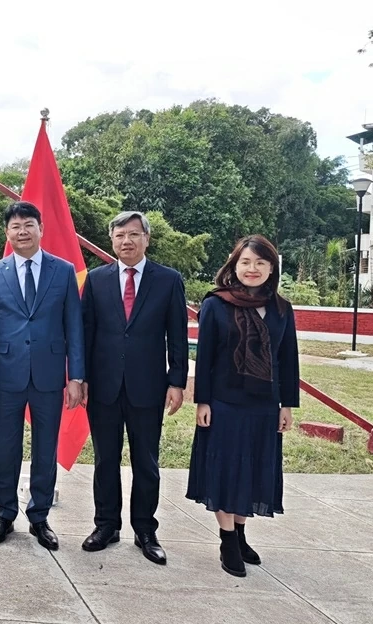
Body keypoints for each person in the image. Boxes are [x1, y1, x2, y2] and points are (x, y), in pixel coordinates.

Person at [187, 235, 299, 578]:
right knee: (225, 470)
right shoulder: (216, 304)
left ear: (271, 268)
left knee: (251, 471)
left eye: (261, 263)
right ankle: (227, 540)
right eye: (246, 262)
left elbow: (287, 359)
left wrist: (287, 405)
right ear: (234, 266)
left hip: (263, 405)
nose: (253, 269)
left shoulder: (281, 308)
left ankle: (240, 534)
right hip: (224, 403)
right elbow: (204, 357)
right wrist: (202, 401)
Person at [80, 211, 188, 565]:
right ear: (111, 240)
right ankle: (106, 525)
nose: (126, 241)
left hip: (148, 386)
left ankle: (145, 529)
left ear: (146, 238)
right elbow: (85, 334)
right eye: (119, 235)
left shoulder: (168, 280)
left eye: (133, 234)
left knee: (146, 461)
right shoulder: (96, 281)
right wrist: (79, 379)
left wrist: (176, 382)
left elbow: (177, 336)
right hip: (104, 386)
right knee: (105, 460)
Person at [0, 201, 85, 551]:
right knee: (5, 449)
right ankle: (4, 513)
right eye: (15, 226)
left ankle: (39, 516)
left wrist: (76, 377)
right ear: (7, 233)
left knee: (44, 448)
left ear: (41, 229)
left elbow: (74, 327)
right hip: (5, 376)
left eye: (28, 225)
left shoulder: (63, 271)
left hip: (50, 376)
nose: (22, 232)